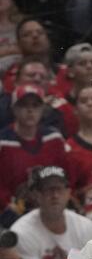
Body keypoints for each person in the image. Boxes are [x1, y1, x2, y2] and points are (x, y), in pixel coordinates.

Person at [0, 84, 66, 227]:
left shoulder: (54, 138)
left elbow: (65, 176)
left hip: (50, 207)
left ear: (42, 110)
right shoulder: (3, 142)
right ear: (14, 109)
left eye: (35, 105)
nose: (30, 111)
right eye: (24, 105)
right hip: (11, 212)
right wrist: (6, 204)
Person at [9, 165, 92, 259]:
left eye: (59, 188)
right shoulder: (21, 232)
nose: (55, 195)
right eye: (48, 190)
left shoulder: (86, 227)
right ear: (36, 195)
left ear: (68, 193)